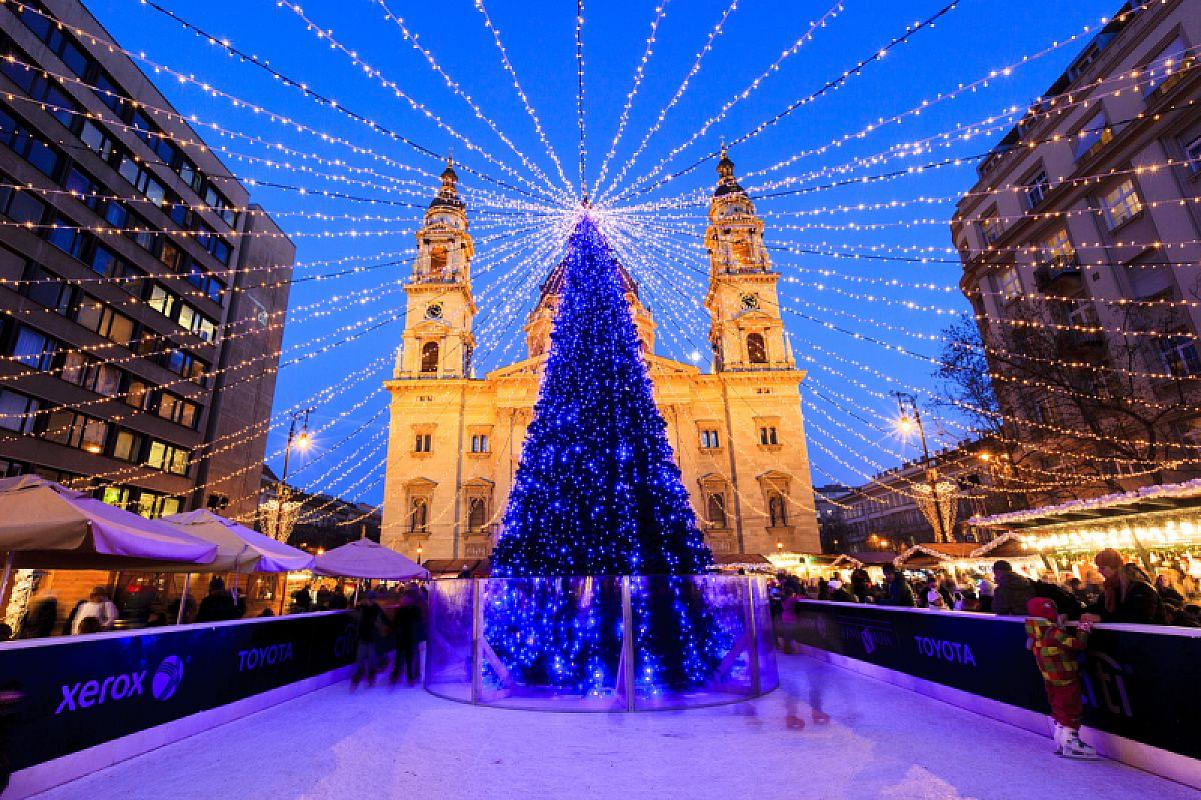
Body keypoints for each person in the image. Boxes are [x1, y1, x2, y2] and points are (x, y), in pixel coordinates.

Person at [1025, 597, 1099, 760]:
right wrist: (1083, 628)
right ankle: (1070, 740)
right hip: (1066, 678)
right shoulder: (1054, 633)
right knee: (1071, 707)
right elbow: (1077, 645)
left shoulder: (1035, 633)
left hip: (1050, 680)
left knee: (1058, 707)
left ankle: (1060, 737)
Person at [1084, 549, 1161, 625]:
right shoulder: (1110, 588)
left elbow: (1139, 616)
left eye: (1102, 567)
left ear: (1114, 567)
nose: (1099, 571)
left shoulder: (1140, 588)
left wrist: (1102, 617)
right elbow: (1097, 608)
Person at [390, 587, 424, 685]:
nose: (403, 599)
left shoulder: (414, 609)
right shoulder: (406, 609)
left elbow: (417, 622)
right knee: (403, 657)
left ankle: (409, 676)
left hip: (409, 637)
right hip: (406, 637)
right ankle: (405, 676)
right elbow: (396, 623)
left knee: (408, 657)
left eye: (405, 597)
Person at [351, 591, 383, 688]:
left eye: (372, 599)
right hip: (363, 636)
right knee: (360, 657)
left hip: (371, 636)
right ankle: (359, 675)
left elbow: (379, 620)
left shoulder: (376, 608)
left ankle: (371, 675)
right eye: (369, 599)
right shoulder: (362, 607)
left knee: (371, 657)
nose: (370, 601)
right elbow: (355, 615)